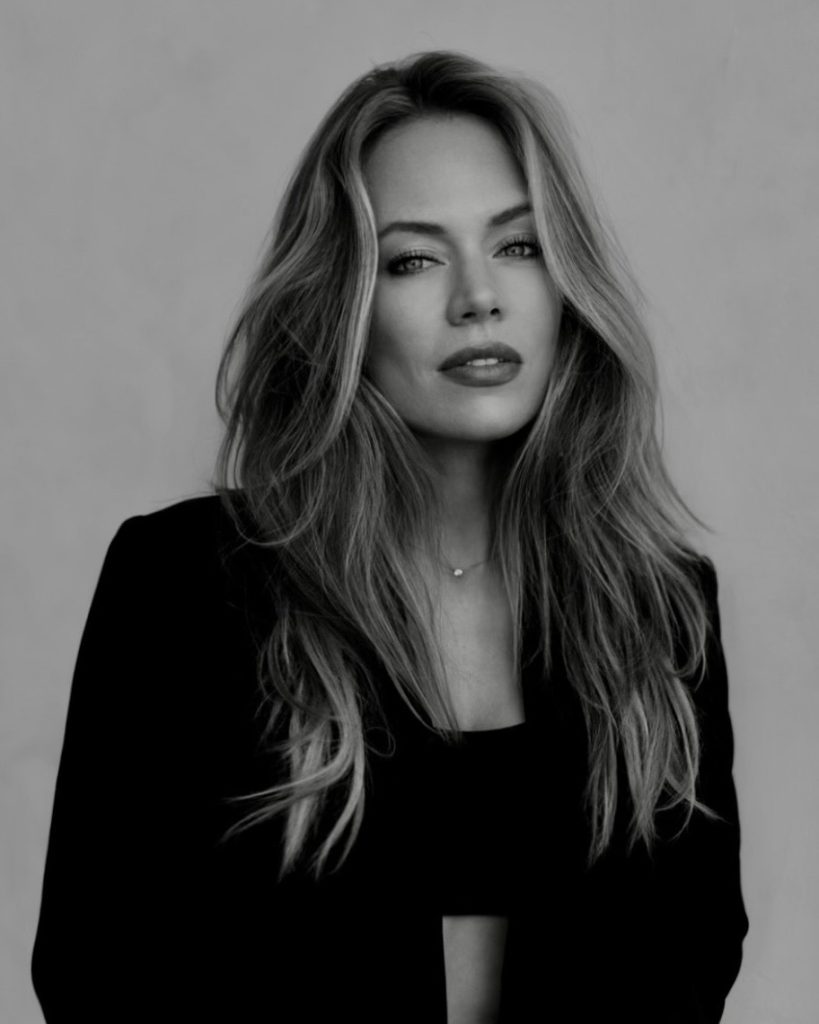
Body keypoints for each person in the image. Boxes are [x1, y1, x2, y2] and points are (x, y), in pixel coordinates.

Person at [31, 50, 748, 1023]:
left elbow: (696, 956)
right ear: (343, 305)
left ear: (566, 282)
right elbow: (93, 969)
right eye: (414, 259)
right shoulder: (184, 585)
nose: (478, 297)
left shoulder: (657, 608)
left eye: (519, 245)